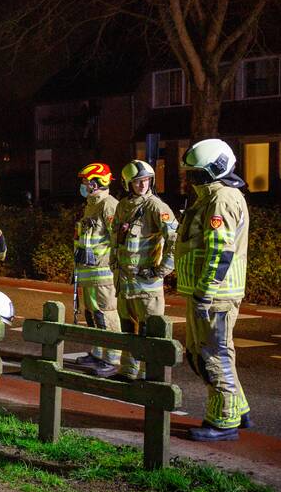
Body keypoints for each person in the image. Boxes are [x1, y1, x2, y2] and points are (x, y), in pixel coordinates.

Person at [176, 139, 251, 441]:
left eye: (197, 175)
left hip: (215, 296)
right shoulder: (212, 197)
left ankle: (223, 422)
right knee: (202, 354)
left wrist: (205, 292)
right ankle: (238, 409)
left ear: (216, 170)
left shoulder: (221, 200)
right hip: (206, 294)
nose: (192, 181)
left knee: (213, 357)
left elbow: (220, 251)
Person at [110, 160, 177, 381]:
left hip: (147, 284)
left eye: (146, 180)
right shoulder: (122, 206)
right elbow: (115, 241)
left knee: (150, 330)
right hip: (125, 283)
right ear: (128, 183)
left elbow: (175, 239)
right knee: (127, 328)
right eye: (137, 181)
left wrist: (162, 270)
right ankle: (128, 369)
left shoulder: (156, 207)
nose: (142, 185)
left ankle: (150, 373)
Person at [72, 162, 121, 378]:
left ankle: (112, 358)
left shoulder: (109, 205)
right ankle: (97, 352)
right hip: (89, 273)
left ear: (96, 183)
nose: (83, 185)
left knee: (106, 314)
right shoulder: (91, 204)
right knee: (92, 316)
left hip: (103, 274)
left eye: (86, 181)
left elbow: (117, 239)